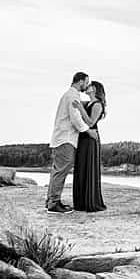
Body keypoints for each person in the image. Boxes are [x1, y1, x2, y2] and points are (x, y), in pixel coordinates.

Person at [46, 71, 91, 213]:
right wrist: (88, 130)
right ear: (80, 81)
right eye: (86, 82)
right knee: (61, 170)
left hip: (62, 138)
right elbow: (75, 118)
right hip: (66, 139)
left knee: (57, 170)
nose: (87, 85)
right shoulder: (72, 95)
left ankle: (51, 201)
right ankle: (54, 203)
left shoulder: (69, 95)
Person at [73, 80, 107, 212]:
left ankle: (90, 202)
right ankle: (81, 202)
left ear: (95, 89)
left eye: (90, 85)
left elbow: (91, 122)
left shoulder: (97, 105)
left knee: (88, 168)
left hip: (91, 138)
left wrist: (80, 108)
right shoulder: (90, 103)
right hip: (83, 137)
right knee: (82, 167)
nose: (87, 87)